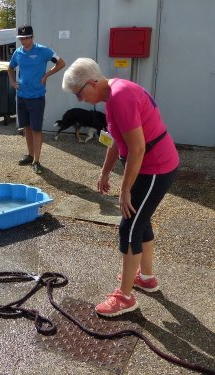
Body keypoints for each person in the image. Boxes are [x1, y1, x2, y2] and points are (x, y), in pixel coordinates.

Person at [62, 58, 179, 317]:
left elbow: (137, 148)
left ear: (92, 83)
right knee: (141, 221)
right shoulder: (112, 95)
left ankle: (125, 298)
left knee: (129, 227)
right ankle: (146, 278)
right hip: (146, 165)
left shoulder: (121, 97)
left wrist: (125, 190)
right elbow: (117, 141)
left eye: (79, 94)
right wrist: (104, 172)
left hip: (155, 167)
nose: (79, 101)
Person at [7, 25, 66, 174]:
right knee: (26, 127)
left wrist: (46, 75)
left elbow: (61, 63)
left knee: (36, 129)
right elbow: (10, 68)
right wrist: (13, 83)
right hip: (21, 97)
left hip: (37, 98)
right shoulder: (18, 53)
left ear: (32, 37)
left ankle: (37, 161)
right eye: (21, 38)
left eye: (26, 38)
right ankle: (30, 155)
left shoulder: (43, 51)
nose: (24, 41)